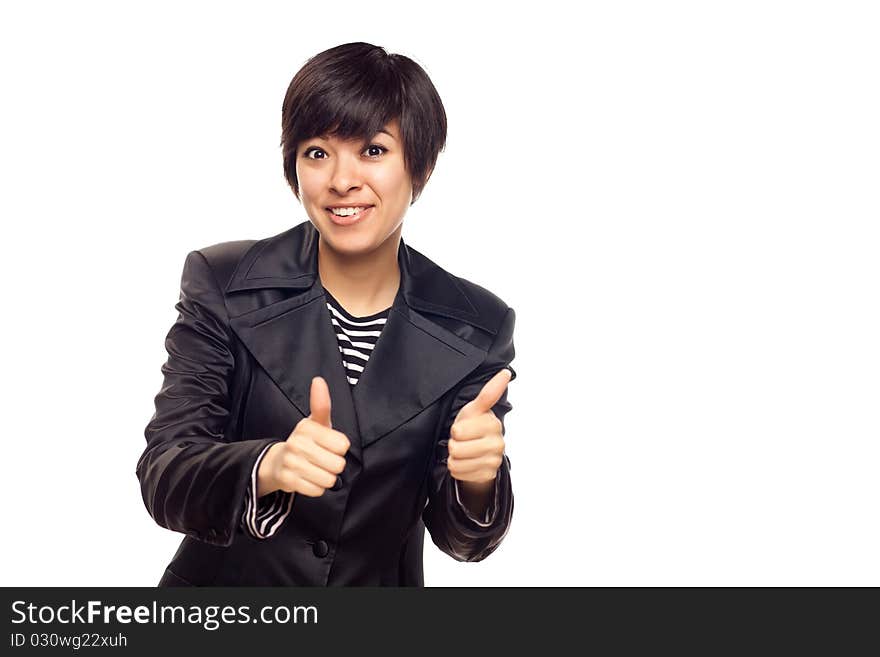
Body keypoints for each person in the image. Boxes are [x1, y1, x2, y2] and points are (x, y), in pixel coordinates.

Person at [136, 42, 517, 586]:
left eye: (373, 150)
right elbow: (164, 473)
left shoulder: (475, 325)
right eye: (318, 151)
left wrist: (477, 479)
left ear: (422, 165)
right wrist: (268, 467)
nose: (342, 180)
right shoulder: (223, 282)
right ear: (293, 165)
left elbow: (463, 538)